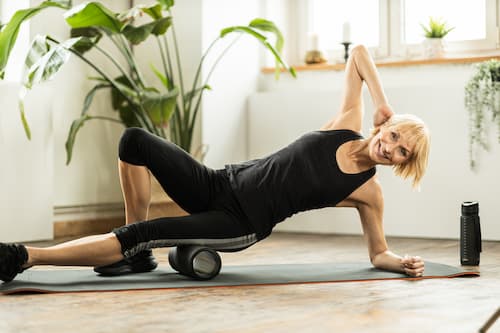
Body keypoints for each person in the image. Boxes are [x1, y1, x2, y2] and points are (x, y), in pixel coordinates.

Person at [0, 45, 430, 283]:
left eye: (402, 153)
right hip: (219, 182)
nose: (391, 149)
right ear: (384, 127)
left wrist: (400, 263)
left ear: (403, 164)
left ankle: (26, 258)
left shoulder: (367, 192)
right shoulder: (347, 124)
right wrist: (382, 101)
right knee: (135, 140)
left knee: (144, 233)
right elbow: (358, 53)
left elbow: (378, 252)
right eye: (394, 136)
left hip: (239, 220)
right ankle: (133, 257)